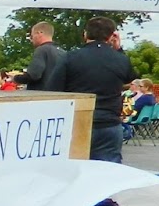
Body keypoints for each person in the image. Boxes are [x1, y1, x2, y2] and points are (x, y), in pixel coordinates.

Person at [45, 16, 134, 163]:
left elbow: (53, 89)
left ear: (85, 34)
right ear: (112, 36)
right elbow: (130, 78)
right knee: (108, 172)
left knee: (75, 170)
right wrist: (118, 49)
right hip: (109, 123)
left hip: (78, 123)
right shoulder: (120, 59)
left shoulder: (70, 57)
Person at [12, 21, 64, 90]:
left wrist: (15, 78)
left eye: (32, 36)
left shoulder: (41, 50)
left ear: (40, 33)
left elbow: (34, 75)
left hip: (41, 95)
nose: (31, 40)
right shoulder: (63, 52)